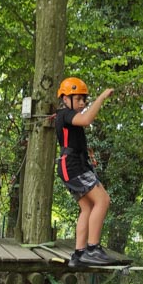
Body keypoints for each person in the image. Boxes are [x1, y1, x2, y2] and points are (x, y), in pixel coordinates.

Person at [55, 77, 116, 268]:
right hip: (73, 166)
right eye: (78, 99)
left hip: (73, 165)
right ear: (65, 99)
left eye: (84, 99)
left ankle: (79, 253)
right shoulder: (65, 114)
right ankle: (92, 249)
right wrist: (102, 97)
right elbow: (87, 119)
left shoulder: (67, 116)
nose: (82, 103)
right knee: (103, 200)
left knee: (88, 207)